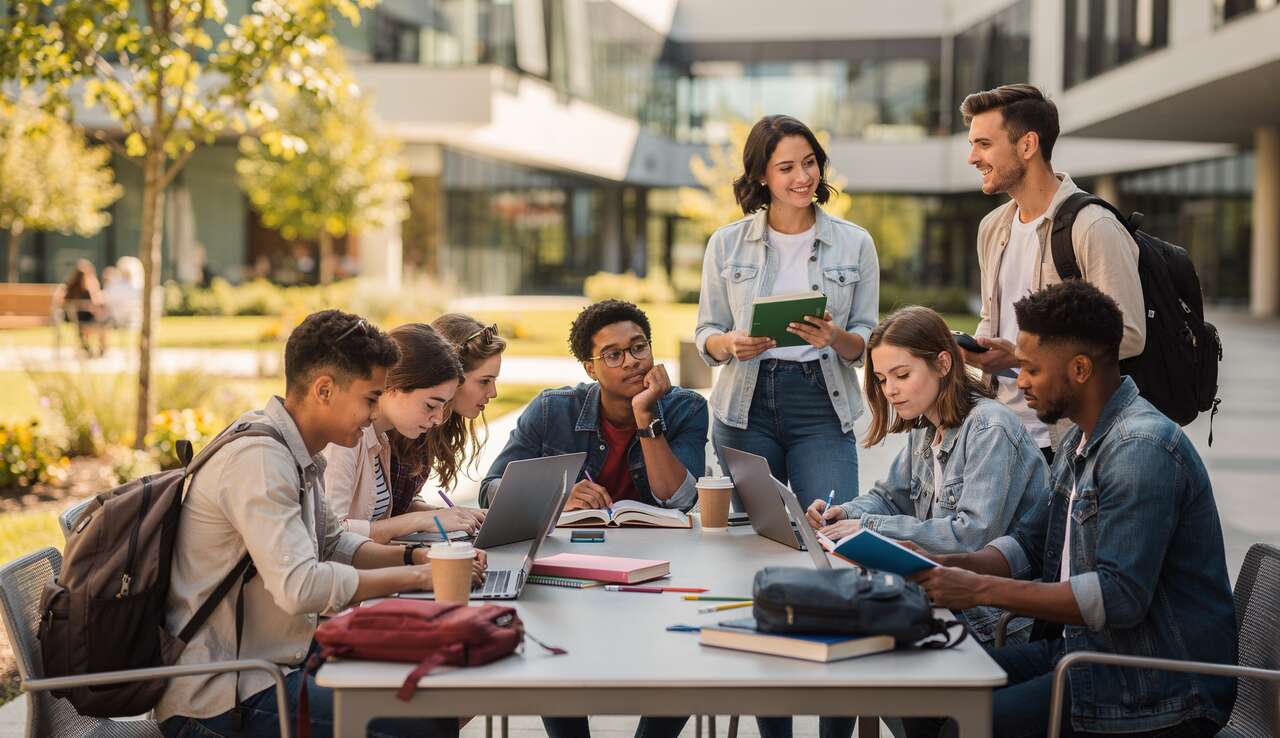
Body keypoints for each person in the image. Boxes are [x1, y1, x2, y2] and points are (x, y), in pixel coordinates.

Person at [905, 281, 1236, 738]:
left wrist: (978, 589)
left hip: (1155, 682)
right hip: (1086, 653)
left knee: (967, 727)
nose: (1020, 381)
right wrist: (945, 565)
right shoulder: (1080, 438)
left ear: (1080, 369)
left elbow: (1117, 597)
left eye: (1031, 369)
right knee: (922, 690)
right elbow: (1030, 543)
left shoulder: (1140, 448)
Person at [157, 310, 486, 738]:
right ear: (324, 390)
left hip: (279, 663)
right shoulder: (260, 460)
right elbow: (301, 587)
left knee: (443, 684)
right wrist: (422, 576)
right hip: (224, 695)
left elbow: (335, 544)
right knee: (422, 722)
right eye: (370, 398)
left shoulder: (297, 452)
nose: (375, 414)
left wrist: (420, 557)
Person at [480, 298, 707, 738]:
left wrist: (646, 417)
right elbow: (491, 488)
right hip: (570, 564)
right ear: (590, 368)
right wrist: (558, 494)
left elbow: (678, 498)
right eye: (613, 355)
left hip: (660, 566)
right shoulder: (552, 410)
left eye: (638, 347)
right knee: (554, 637)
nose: (632, 361)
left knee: (684, 648)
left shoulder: (685, 407)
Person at [805, 306, 1048, 646]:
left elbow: (971, 537)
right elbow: (890, 498)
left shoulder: (989, 428)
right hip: (945, 602)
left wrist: (867, 527)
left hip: (993, 621)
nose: (890, 390)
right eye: (882, 379)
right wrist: (843, 514)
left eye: (902, 375)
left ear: (943, 364)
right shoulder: (925, 425)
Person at [695, 114, 879, 513]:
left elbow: (868, 337)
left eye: (810, 162)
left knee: (832, 526)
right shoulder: (726, 244)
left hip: (822, 402)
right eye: (786, 167)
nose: (803, 176)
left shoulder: (856, 243)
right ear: (761, 175)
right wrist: (730, 343)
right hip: (745, 407)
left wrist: (835, 337)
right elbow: (707, 331)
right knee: (759, 535)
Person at [960, 83, 1145, 463]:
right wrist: (975, 348)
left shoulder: (1093, 227)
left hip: (1068, 441)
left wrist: (1020, 357)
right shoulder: (992, 228)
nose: (972, 157)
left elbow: (1128, 335)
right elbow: (992, 318)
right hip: (1000, 434)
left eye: (984, 144)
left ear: (1028, 145)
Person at [323, 323, 487, 543]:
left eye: (444, 406)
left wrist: (448, 516)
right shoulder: (343, 440)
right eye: (430, 405)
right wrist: (420, 521)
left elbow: (381, 519)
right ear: (392, 387)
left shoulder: (380, 439)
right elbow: (330, 535)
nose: (439, 418)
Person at [388, 314, 507, 520]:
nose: (493, 393)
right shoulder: (398, 425)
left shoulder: (432, 427)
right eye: (484, 381)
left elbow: (399, 504)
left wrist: (452, 514)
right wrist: (433, 518)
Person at [60, 258, 106, 356]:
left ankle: (86, 345)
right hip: (85, 318)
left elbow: (63, 303)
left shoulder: (70, 288)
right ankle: (101, 348)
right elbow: (95, 303)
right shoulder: (88, 288)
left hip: (74, 318)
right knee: (101, 322)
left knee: (86, 325)